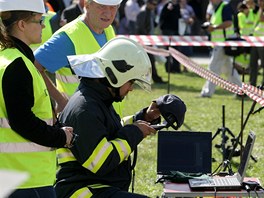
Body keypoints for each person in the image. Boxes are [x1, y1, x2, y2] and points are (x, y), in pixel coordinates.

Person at [54, 37, 185, 197]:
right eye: (130, 82)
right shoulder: (85, 108)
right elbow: (100, 161)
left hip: (96, 187)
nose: (131, 89)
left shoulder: (97, 100)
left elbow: (107, 132)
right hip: (82, 191)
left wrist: (143, 117)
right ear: (115, 76)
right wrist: (136, 132)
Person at [0, 0, 76, 197]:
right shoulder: (18, 65)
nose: (44, 25)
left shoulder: (6, 58)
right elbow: (22, 121)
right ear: (22, 25)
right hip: (28, 180)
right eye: (39, 20)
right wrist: (61, 136)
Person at [34, 0, 123, 114]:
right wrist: (61, 100)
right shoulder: (69, 37)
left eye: (113, 7)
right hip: (80, 120)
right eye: (101, 6)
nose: (108, 13)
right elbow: (34, 65)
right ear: (87, 5)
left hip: (105, 117)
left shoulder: (108, 29)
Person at [200, 0, 242, 98]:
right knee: (228, 69)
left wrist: (214, 27)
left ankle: (207, 92)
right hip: (220, 43)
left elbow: (228, 23)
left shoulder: (225, 6)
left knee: (213, 68)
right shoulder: (217, 7)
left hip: (223, 43)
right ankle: (241, 90)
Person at [135, 0, 166, 84]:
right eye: (153, 4)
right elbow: (140, 27)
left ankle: (154, 78)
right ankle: (154, 79)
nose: (155, 6)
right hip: (144, 41)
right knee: (148, 61)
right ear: (148, 3)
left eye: (156, 4)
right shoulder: (143, 12)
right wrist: (147, 39)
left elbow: (152, 24)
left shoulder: (150, 12)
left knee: (149, 61)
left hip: (149, 40)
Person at [159, 0, 182, 73]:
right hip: (167, 31)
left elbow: (178, 17)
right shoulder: (167, 5)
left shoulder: (177, 6)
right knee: (168, 51)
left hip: (175, 31)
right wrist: (168, 10)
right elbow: (162, 17)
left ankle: (176, 68)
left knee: (176, 51)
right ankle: (169, 69)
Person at [249, 0, 264, 86]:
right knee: (252, 64)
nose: (260, 2)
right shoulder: (259, 10)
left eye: (262, 1)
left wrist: (261, 8)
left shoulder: (261, 10)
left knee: (263, 64)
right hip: (255, 41)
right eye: (259, 1)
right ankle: (252, 84)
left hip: (262, 42)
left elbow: (262, 19)